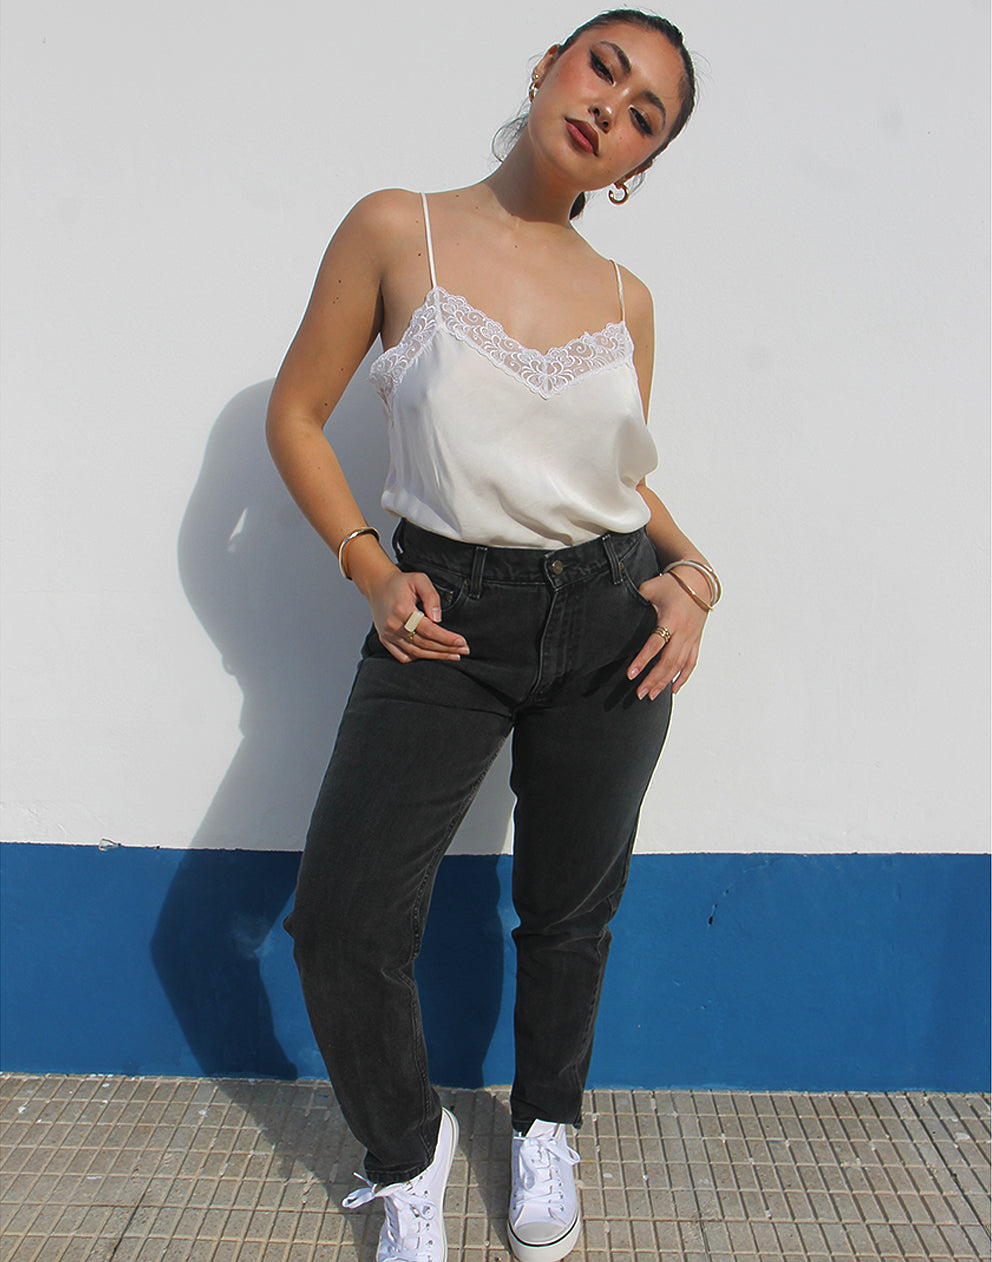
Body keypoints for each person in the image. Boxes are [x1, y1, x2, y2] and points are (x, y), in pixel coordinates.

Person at [266, 10, 718, 1260]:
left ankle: (545, 1123)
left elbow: (615, 478)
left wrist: (695, 575)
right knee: (343, 921)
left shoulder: (625, 298)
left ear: (635, 167)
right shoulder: (394, 227)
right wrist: (370, 566)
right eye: (602, 68)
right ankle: (406, 1154)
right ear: (546, 65)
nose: (609, 107)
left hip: (610, 617)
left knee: (569, 911)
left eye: (643, 117)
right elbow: (296, 413)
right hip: (443, 614)